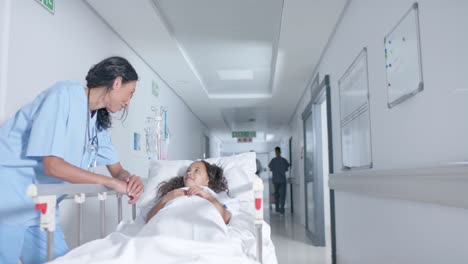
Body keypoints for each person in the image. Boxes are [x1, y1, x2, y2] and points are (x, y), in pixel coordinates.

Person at [0, 56, 145, 264]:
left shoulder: (98, 123)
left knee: (61, 259)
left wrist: (130, 179)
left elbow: (117, 170)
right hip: (8, 199)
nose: (128, 102)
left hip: (41, 207)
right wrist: (107, 182)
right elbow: (53, 166)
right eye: (130, 94)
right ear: (116, 83)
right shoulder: (63, 95)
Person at [145, 160, 234, 225]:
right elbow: (149, 219)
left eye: (196, 170)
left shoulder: (212, 196)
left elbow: (226, 219)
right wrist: (166, 199)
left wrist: (208, 197)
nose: (189, 173)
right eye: (188, 170)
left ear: (208, 180)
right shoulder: (172, 194)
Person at [268, 146, 290, 215]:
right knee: (282, 195)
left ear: (277, 152)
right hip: (282, 180)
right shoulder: (284, 160)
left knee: (277, 194)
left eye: (276, 152)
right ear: (280, 152)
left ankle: (277, 208)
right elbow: (287, 169)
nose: (276, 153)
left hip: (276, 180)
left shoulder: (273, 160)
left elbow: (270, 169)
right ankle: (281, 210)